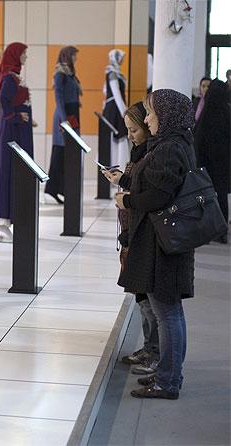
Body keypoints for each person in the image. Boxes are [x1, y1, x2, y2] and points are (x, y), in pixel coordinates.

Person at [111, 89, 196, 400]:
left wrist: (128, 198)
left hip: (165, 243)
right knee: (167, 311)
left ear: (167, 116)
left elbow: (160, 196)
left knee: (167, 313)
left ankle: (168, 380)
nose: (147, 120)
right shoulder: (171, 144)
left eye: (151, 113)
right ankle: (167, 375)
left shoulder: (170, 149)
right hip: (164, 240)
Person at [104, 103, 158, 373]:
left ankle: (155, 352)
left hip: (142, 234)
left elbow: (148, 195)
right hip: (132, 233)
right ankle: (149, 347)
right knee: (141, 298)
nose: (131, 135)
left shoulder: (153, 156)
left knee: (151, 304)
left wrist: (127, 195)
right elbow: (136, 187)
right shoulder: (140, 154)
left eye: (134, 129)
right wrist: (123, 181)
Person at [0, 42, 36, 241]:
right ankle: (2, 221)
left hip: (19, 132)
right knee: (8, 172)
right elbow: (5, 104)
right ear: (15, 55)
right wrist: (17, 117)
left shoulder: (13, 76)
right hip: (12, 133)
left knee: (12, 172)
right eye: (23, 53)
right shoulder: (8, 78)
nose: (25, 57)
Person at [194, 79, 230, 242]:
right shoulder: (227, 113)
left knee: (205, 196)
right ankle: (222, 230)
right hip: (223, 164)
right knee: (221, 196)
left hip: (206, 164)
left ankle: (207, 229)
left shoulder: (206, 114)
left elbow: (199, 140)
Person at [44, 46, 81, 204]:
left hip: (72, 113)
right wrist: (63, 118)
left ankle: (63, 189)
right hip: (64, 115)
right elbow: (58, 97)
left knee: (69, 153)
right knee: (60, 152)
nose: (75, 58)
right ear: (67, 56)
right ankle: (53, 189)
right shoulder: (60, 73)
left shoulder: (69, 73)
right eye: (73, 55)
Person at [103, 49, 129, 169]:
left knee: (119, 139)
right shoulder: (112, 73)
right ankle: (114, 167)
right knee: (116, 138)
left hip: (115, 107)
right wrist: (124, 112)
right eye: (121, 58)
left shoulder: (115, 73)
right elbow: (116, 93)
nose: (122, 60)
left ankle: (119, 167)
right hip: (115, 109)